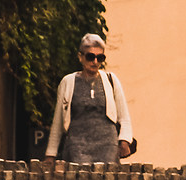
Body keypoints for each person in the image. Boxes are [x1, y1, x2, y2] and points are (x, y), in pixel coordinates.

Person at [45, 33, 138, 163]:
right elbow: (58, 122)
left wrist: (124, 141)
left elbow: (124, 116)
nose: (95, 62)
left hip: (108, 149)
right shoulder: (68, 82)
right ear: (80, 57)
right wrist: (51, 154)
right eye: (90, 57)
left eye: (100, 58)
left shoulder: (111, 80)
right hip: (76, 149)